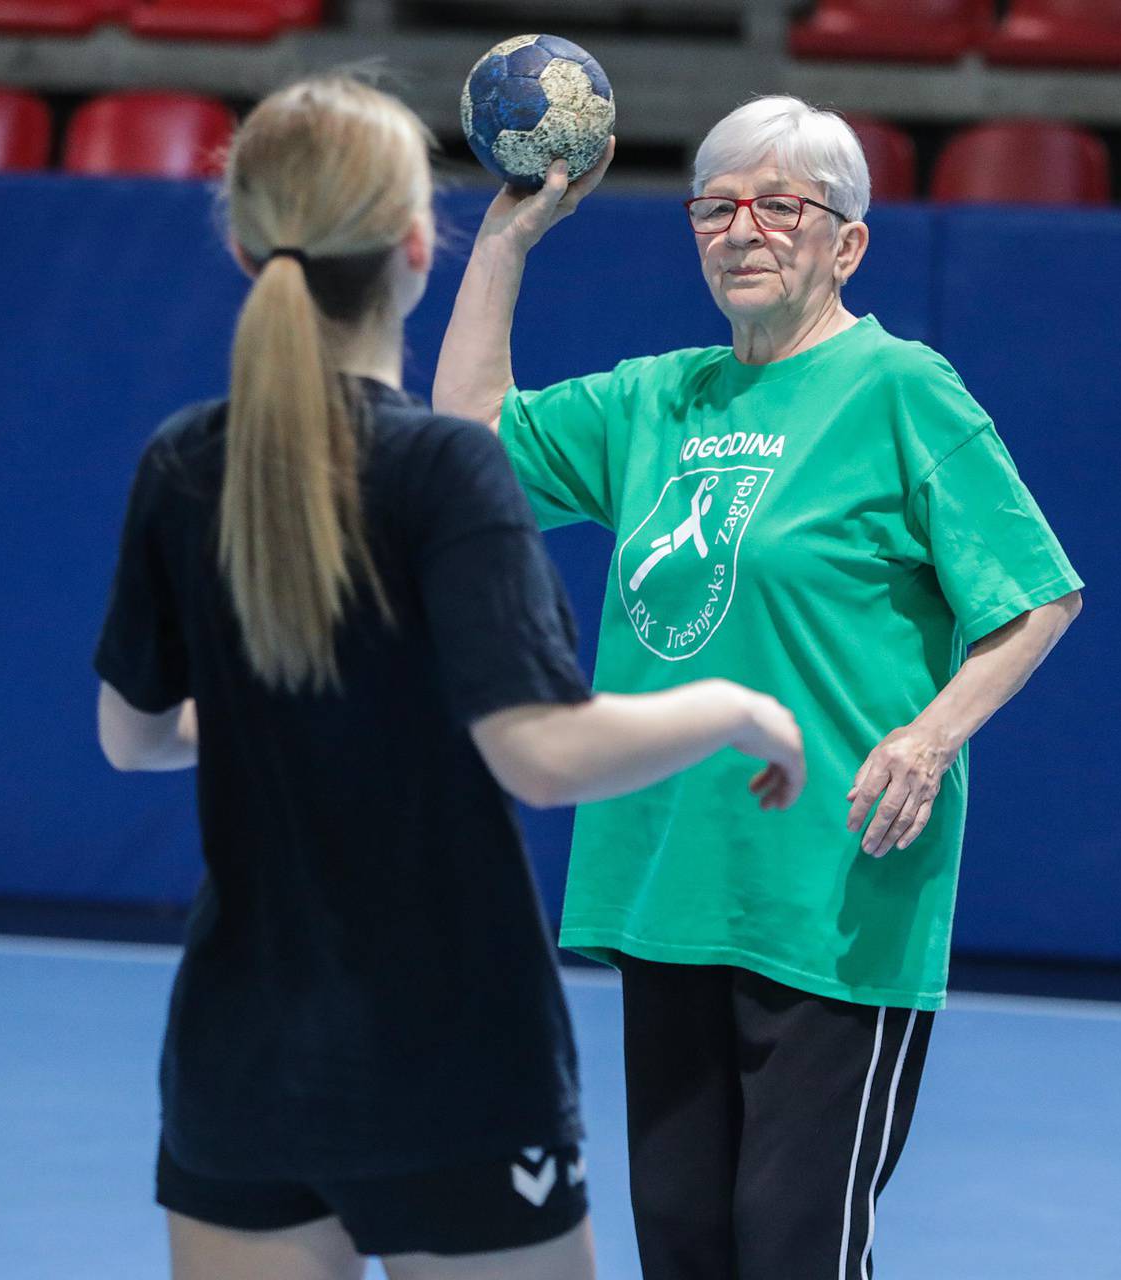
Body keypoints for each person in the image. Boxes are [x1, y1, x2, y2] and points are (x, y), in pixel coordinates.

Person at [92, 74, 805, 1280]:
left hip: (237, 1056)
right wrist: (738, 709)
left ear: (244, 237)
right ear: (418, 246)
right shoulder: (441, 472)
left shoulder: (182, 463)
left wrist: (284, 713)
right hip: (450, 1053)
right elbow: (542, 754)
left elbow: (134, 736)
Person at [433, 95, 1087, 1279]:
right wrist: (504, 243)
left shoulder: (900, 386)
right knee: (685, 1243)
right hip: (669, 878)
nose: (744, 231)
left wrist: (933, 736)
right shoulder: (656, 399)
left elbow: (1037, 595)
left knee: (794, 1249)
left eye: (782, 207)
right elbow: (469, 432)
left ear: (849, 242)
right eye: (717, 208)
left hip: (836, 891)